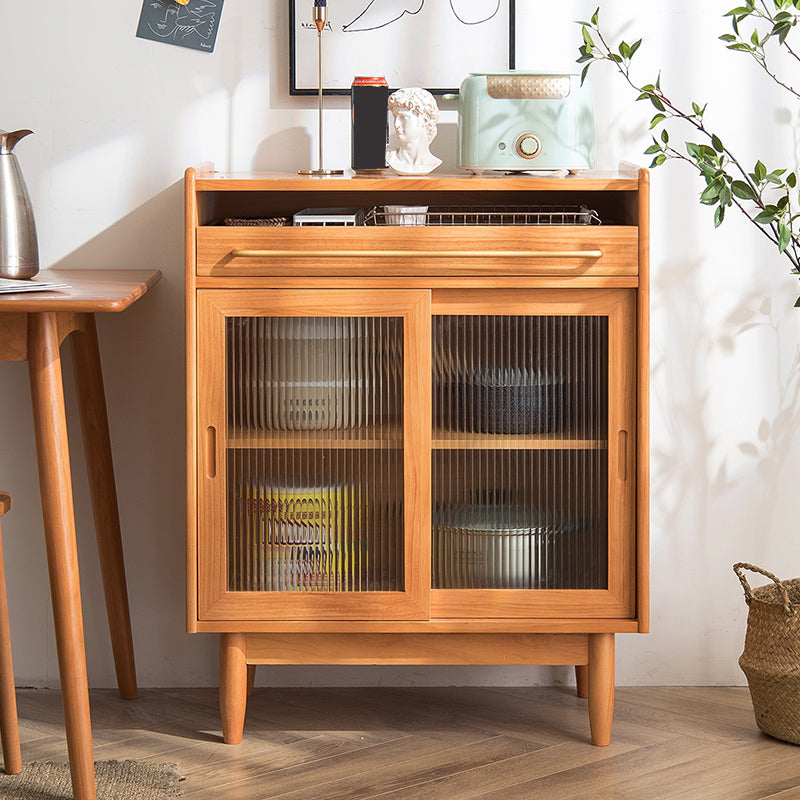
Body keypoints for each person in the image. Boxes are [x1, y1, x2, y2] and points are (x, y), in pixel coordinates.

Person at [386, 87, 442, 175]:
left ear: (424, 119)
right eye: (395, 117)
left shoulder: (433, 163)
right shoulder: (390, 158)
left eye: (403, 118)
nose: (396, 124)